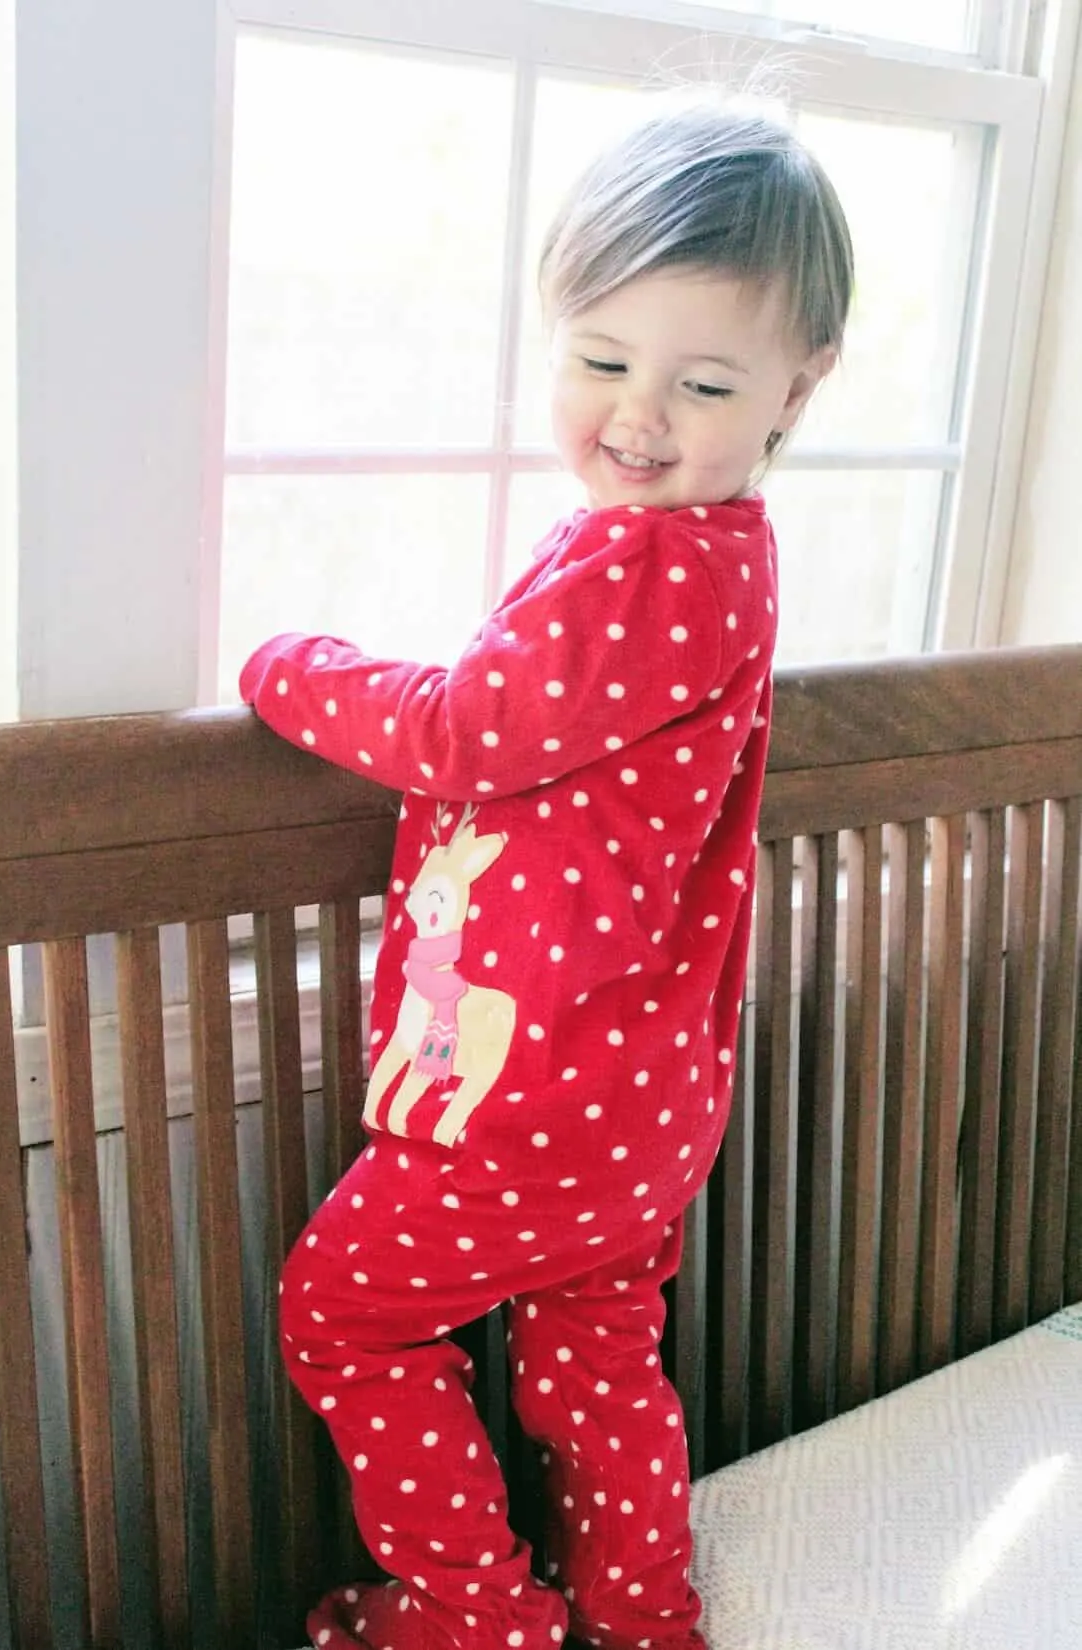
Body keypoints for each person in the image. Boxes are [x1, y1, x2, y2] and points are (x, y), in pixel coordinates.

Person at [240, 96, 853, 1650]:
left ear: (800, 387)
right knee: (591, 1349)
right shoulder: (718, 550)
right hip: (640, 1091)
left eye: (703, 382)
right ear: (552, 333)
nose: (640, 416)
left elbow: (464, 727)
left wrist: (284, 661)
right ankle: (643, 1615)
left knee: (345, 1310)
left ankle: (473, 1613)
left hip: (542, 1090)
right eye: (602, 362)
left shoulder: (655, 560)